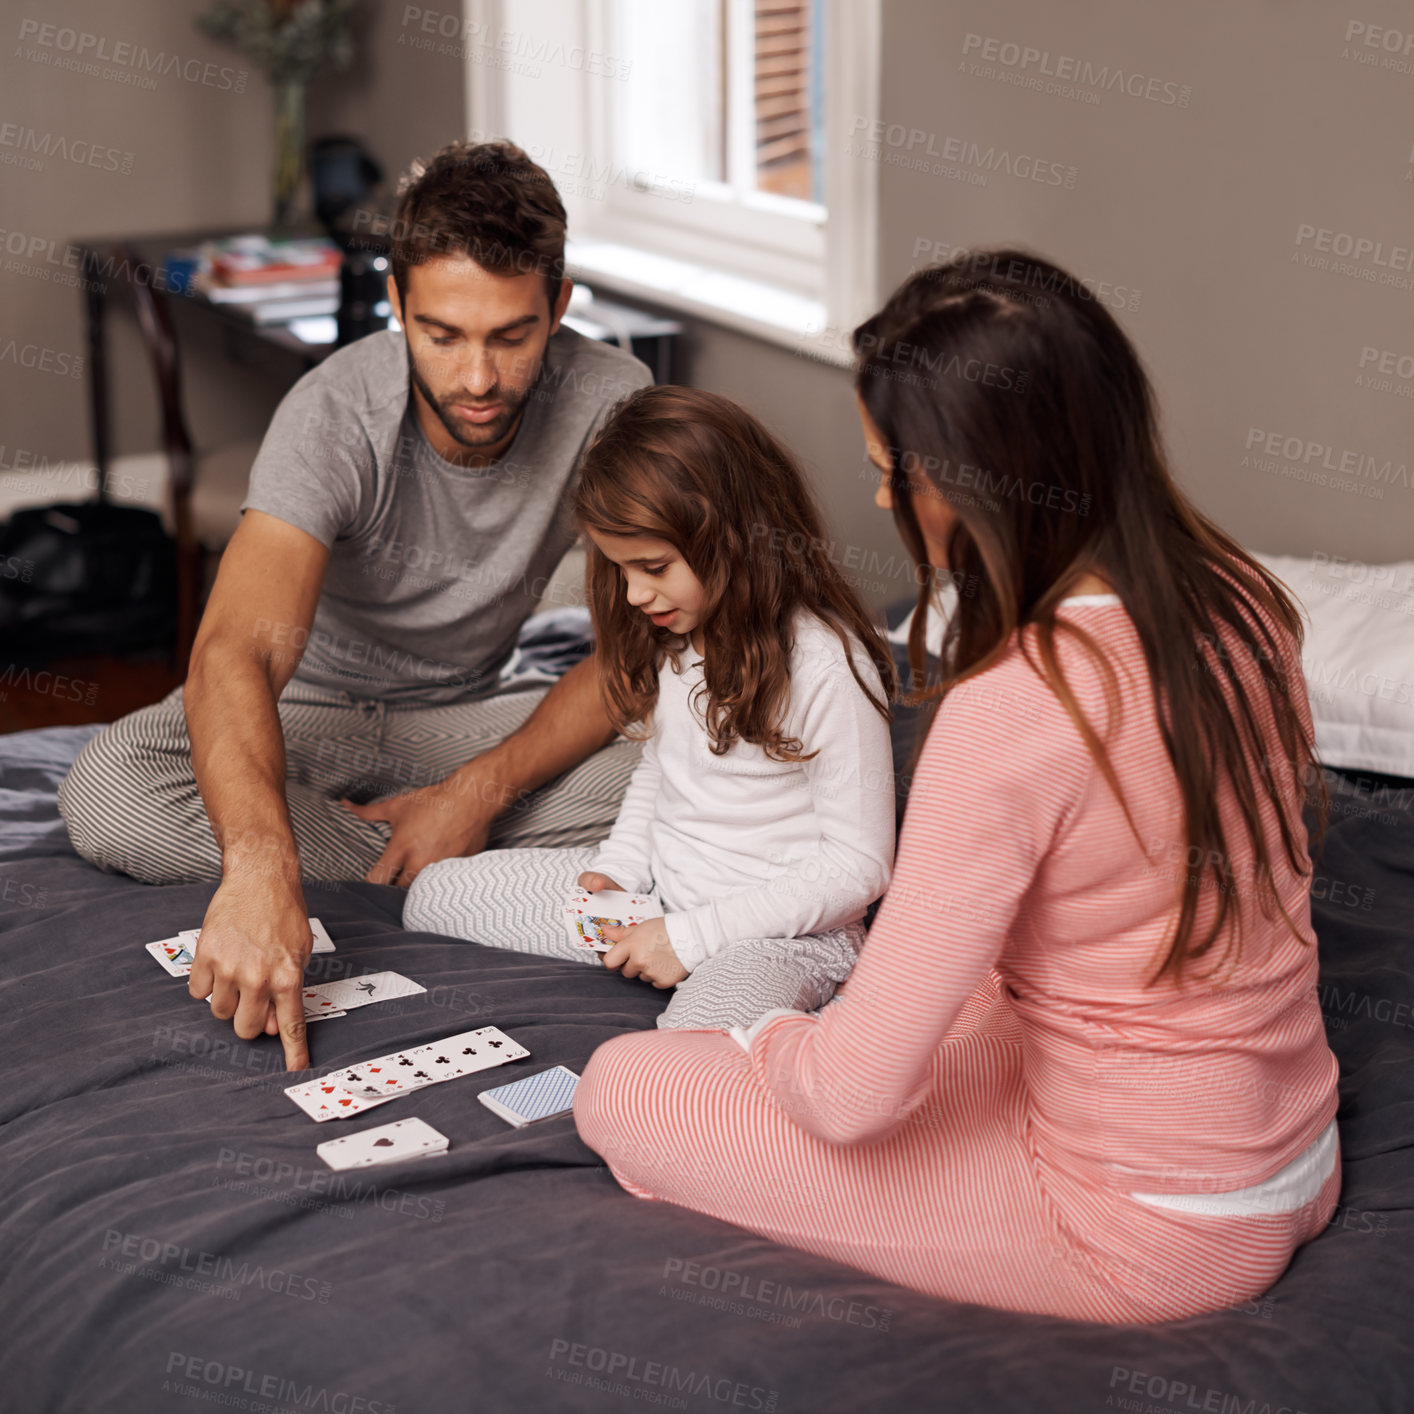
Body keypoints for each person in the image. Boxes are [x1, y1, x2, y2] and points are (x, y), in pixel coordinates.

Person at [572, 249, 1342, 1324]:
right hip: (1297, 1149)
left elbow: (843, 1101)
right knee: (961, 1014)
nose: (883, 493)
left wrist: (764, 1044)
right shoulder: (1247, 604)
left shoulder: (1018, 704)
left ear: (972, 478)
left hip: (1154, 1225)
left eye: (895, 468)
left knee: (623, 1088)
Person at [57, 140, 653, 1071]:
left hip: (461, 721)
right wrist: (262, 867)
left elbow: (637, 652)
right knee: (106, 788)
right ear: (398, 305)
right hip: (309, 715)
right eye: (443, 335)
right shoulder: (333, 411)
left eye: (512, 335)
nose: (478, 380)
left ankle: (431, 833)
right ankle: (426, 851)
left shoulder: (615, 402)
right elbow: (235, 655)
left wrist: (475, 791)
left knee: (692, 756)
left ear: (560, 306)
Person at [404, 386, 898, 1030]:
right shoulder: (677, 630)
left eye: (654, 567)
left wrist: (692, 940)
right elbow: (660, 772)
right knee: (435, 895)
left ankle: (706, 992)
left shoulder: (827, 664)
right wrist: (617, 869)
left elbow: (859, 865)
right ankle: (659, 945)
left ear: (734, 538)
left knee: (685, 1048)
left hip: (781, 935)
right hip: (657, 899)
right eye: (621, 570)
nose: (636, 593)